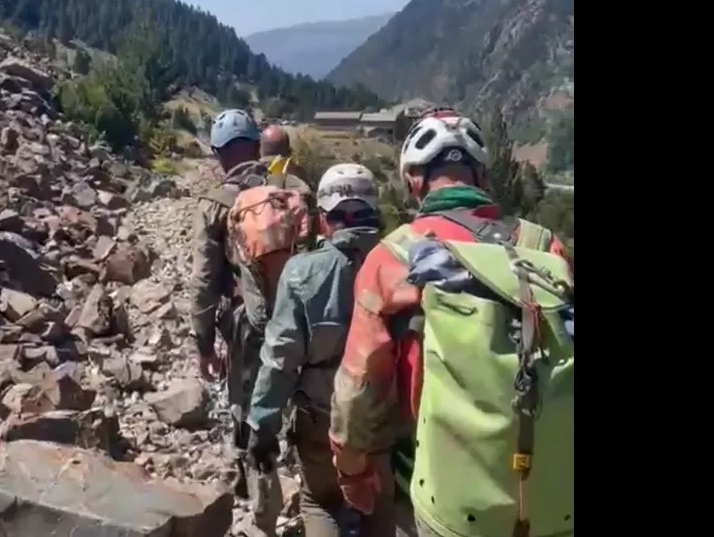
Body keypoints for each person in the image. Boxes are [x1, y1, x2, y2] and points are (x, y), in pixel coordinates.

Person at [328, 109, 574, 537]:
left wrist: (352, 467)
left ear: (413, 180)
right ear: (480, 176)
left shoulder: (393, 257)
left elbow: (359, 385)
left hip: (443, 499)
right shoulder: (545, 246)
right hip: (554, 501)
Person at [245, 163, 395, 537]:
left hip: (321, 422)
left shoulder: (301, 272)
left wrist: (263, 426)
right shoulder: (402, 265)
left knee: (320, 501)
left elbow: (280, 361)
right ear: (374, 214)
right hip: (385, 422)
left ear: (325, 221)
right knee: (380, 505)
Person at [190, 109, 311, 536]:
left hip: (250, 325)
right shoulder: (294, 188)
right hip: (307, 321)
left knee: (250, 409)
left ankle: (263, 511)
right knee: (305, 402)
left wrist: (204, 343)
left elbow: (205, 282)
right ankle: (316, 493)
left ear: (221, 154)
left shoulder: (218, 203)